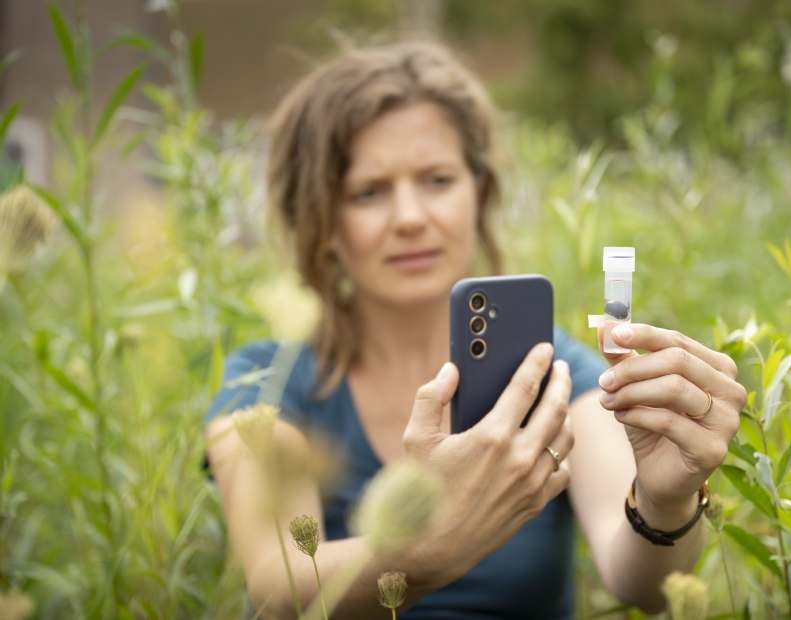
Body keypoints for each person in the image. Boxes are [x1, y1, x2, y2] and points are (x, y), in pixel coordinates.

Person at [204, 41, 746, 620]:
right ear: (323, 220)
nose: (411, 217)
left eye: (437, 180)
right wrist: (435, 540)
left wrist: (666, 501)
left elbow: (639, 580)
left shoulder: (556, 372)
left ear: (478, 192)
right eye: (369, 192)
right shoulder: (264, 383)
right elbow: (275, 585)